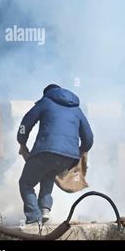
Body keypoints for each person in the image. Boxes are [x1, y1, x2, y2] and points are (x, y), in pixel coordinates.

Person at [17, 84, 94, 224]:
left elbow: (25, 123)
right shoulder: (76, 109)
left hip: (46, 151)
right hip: (68, 158)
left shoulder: (45, 101)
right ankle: (44, 209)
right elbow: (88, 137)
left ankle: (34, 217)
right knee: (49, 174)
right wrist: (82, 150)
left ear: (47, 93)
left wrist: (21, 142)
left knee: (26, 183)